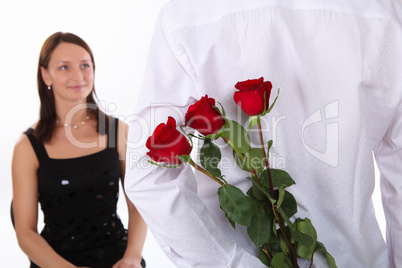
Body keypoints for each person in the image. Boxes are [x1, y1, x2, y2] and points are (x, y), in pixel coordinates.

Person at [124, 0, 402, 267]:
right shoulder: (387, 12)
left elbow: (147, 173)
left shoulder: (187, 14)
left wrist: (233, 263)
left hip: (246, 252)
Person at [11, 32, 147, 268]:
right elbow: (26, 233)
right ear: (46, 75)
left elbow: (138, 206)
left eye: (85, 65)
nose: (78, 76)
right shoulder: (28, 146)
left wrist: (132, 258)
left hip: (118, 257)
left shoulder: (118, 131)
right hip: (55, 262)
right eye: (64, 67)